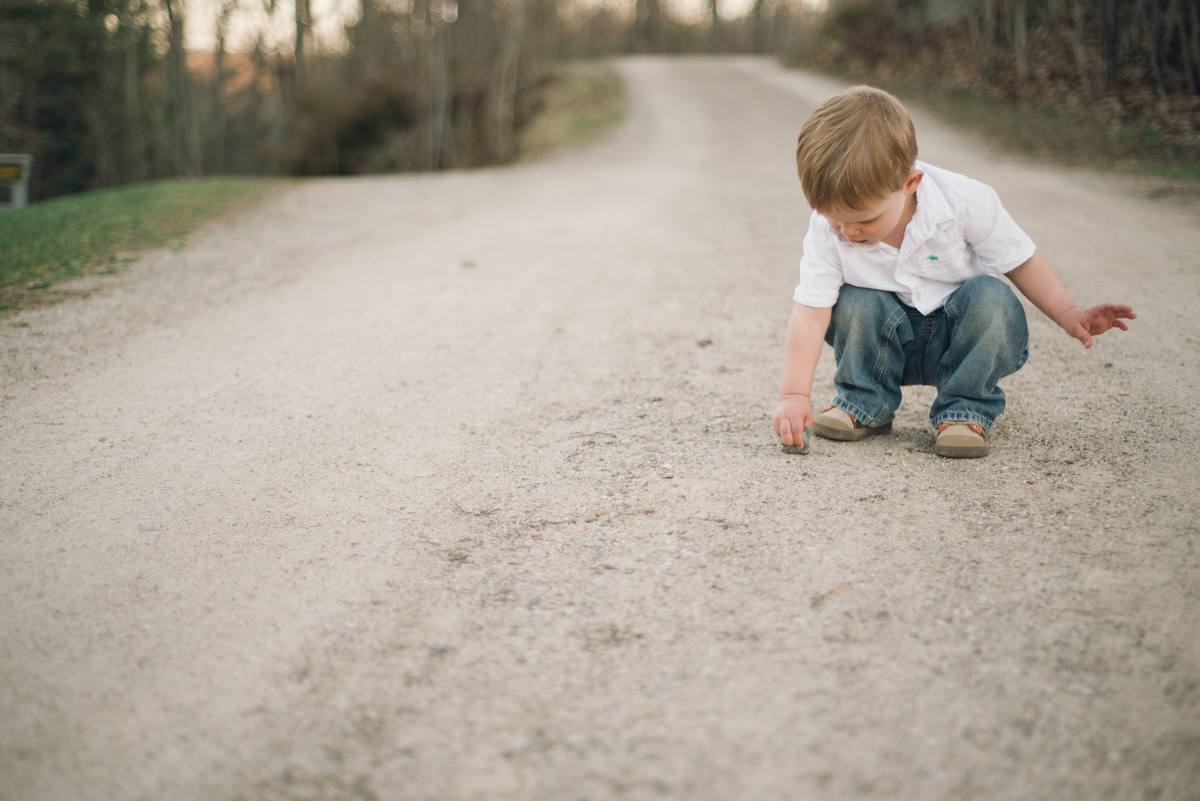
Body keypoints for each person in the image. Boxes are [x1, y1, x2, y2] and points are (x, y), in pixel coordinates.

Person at [771, 86, 1135, 458]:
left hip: (961, 338)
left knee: (991, 296)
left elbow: (1021, 260)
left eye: (865, 219)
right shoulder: (827, 229)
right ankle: (865, 401)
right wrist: (794, 395)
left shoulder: (964, 200)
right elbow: (810, 313)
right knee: (853, 299)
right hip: (885, 342)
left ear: (910, 184)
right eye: (834, 219)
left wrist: (1068, 312)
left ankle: (965, 410)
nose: (847, 232)